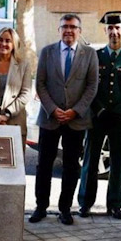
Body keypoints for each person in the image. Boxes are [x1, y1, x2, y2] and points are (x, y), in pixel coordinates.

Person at [30, 14, 99, 225]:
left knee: (71, 166)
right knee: (44, 165)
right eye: (65, 27)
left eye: (73, 27)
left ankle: (65, 209)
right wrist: (53, 109)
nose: (69, 30)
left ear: (80, 30)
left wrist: (75, 111)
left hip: (75, 120)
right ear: (59, 30)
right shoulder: (47, 52)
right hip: (50, 118)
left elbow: (92, 86)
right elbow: (40, 84)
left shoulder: (89, 54)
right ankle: (41, 206)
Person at [78, 12, 121, 218]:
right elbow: (89, 86)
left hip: (120, 121)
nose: (114, 32)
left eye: (118, 28)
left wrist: (117, 112)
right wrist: (100, 110)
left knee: (118, 163)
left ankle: (114, 204)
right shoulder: (95, 57)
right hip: (97, 118)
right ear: (105, 31)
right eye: (110, 29)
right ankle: (85, 203)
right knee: (90, 160)